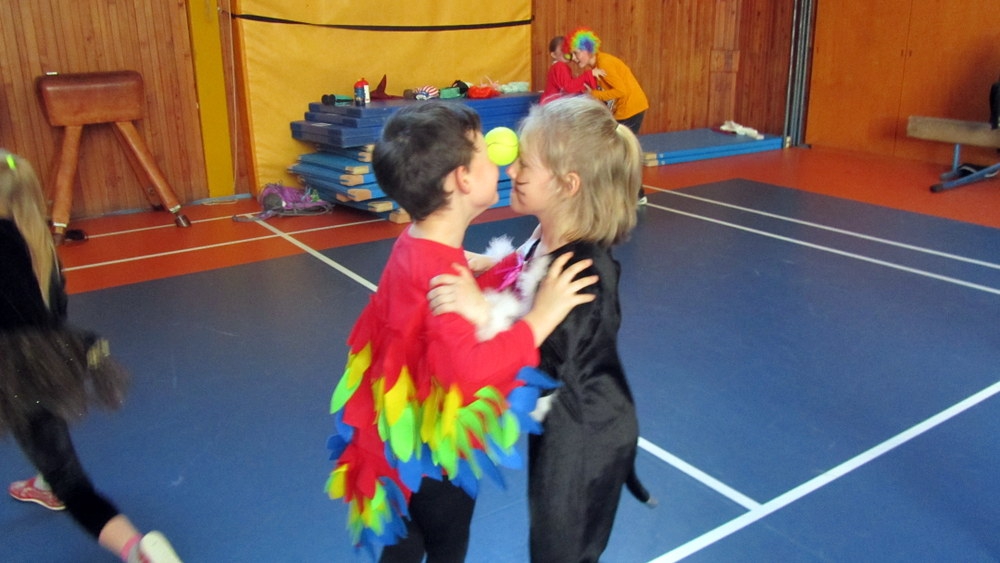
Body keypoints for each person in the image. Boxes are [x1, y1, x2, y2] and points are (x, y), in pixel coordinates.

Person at [323, 102, 600, 562]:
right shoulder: (444, 279)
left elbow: (419, 325)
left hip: (397, 440)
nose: (501, 164)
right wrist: (540, 318)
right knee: (446, 546)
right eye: (486, 153)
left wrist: (494, 271)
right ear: (462, 179)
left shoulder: (415, 244)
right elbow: (471, 371)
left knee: (404, 546)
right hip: (432, 458)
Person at [428, 96, 651, 563]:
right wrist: (484, 264)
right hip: (560, 420)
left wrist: (478, 309)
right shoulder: (545, 238)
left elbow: (539, 368)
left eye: (524, 164)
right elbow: (522, 270)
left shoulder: (581, 275)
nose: (511, 171)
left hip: (583, 432)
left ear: (568, 185)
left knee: (558, 550)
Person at [0, 149, 182, 563]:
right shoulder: (40, 245)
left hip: (10, 369)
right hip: (46, 362)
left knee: (38, 434)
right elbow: (56, 312)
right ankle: (136, 546)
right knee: (65, 471)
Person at [566, 27, 650, 203]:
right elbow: (610, 95)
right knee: (620, 152)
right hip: (622, 110)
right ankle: (633, 193)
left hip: (631, 109)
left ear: (587, 51)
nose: (574, 58)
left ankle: (635, 194)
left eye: (576, 53)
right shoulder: (597, 67)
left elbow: (621, 90)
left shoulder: (605, 63)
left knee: (623, 152)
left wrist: (595, 95)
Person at [540, 35, 602, 105]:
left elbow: (569, 86)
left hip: (552, 104)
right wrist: (590, 74)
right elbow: (568, 88)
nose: (566, 51)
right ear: (554, 55)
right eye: (563, 49)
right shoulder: (559, 66)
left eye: (568, 49)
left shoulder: (558, 66)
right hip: (552, 105)